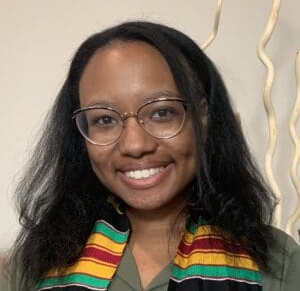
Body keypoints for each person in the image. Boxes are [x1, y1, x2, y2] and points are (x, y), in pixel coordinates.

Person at [2, 21, 300, 291]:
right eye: (104, 119)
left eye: (162, 112)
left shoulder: (278, 262)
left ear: (205, 119)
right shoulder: (39, 259)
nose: (135, 144)